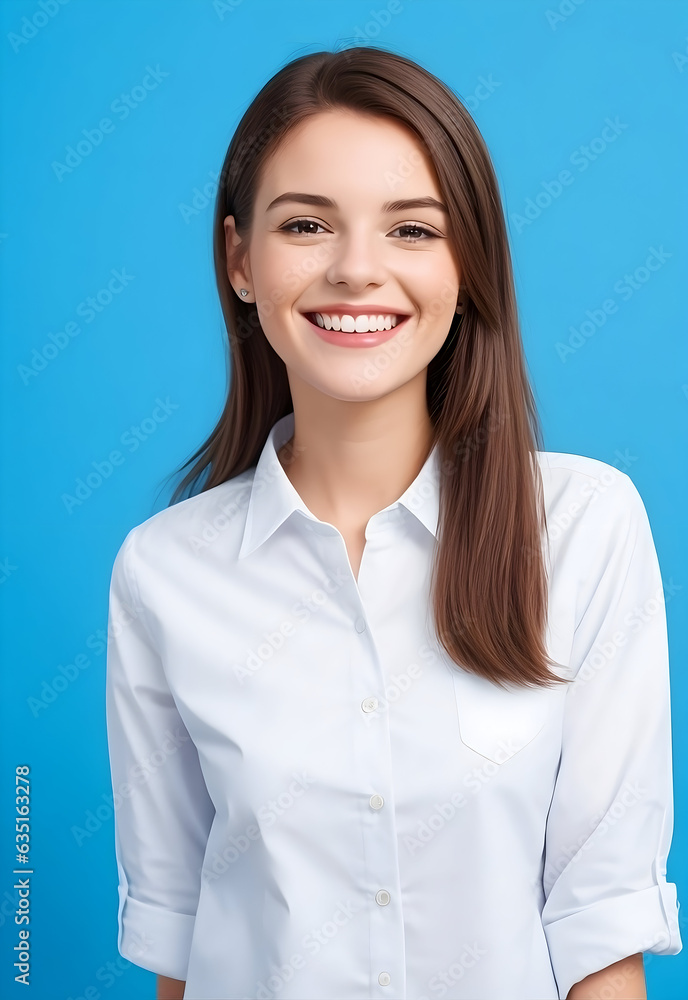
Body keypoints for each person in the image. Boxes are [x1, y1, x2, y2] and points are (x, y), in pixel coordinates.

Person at [105, 47, 681, 1000]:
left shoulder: (585, 527)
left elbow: (602, 926)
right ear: (240, 260)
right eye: (305, 225)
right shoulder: (163, 573)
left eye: (413, 228)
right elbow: (183, 937)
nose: (356, 270)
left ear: (469, 265)